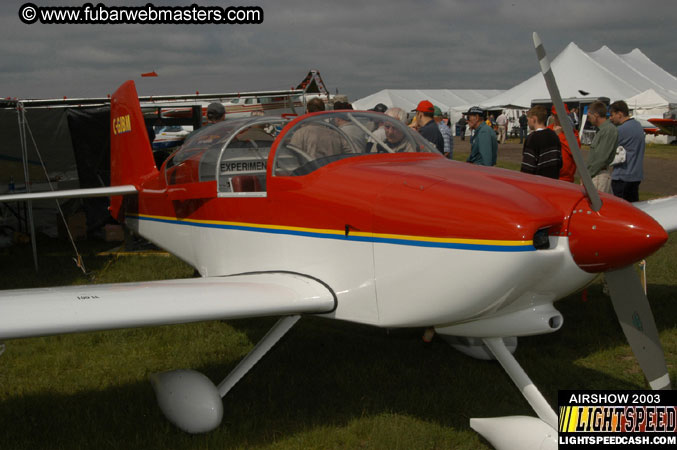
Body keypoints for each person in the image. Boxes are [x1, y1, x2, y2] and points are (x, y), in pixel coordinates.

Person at [609, 100, 645, 202]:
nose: (611, 118)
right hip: (635, 176)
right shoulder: (637, 125)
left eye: (612, 115)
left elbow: (606, 147)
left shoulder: (621, 130)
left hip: (622, 177)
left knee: (619, 210)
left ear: (619, 114)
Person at [520, 105, 561, 179]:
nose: (528, 122)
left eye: (528, 119)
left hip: (537, 183)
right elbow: (560, 162)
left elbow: (527, 167)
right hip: (554, 181)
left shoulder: (532, 138)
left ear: (534, 119)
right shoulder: (554, 136)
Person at [586, 101, 618, 193]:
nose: (588, 119)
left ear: (596, 115)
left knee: (597, 205)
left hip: (599, 174)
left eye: (589, 116)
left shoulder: (608, 130)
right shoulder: (602, 130)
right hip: (596, 174)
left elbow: (601, 158)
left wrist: (588, 175)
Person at [549, 105, 579, 182]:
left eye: (564, 115)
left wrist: (559, 136)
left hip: (566, 179)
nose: (562, 118)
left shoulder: (572, 132)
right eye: (558, 116)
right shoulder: (547, 131)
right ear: (553, 116)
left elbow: (575, 151)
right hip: (549, 177)